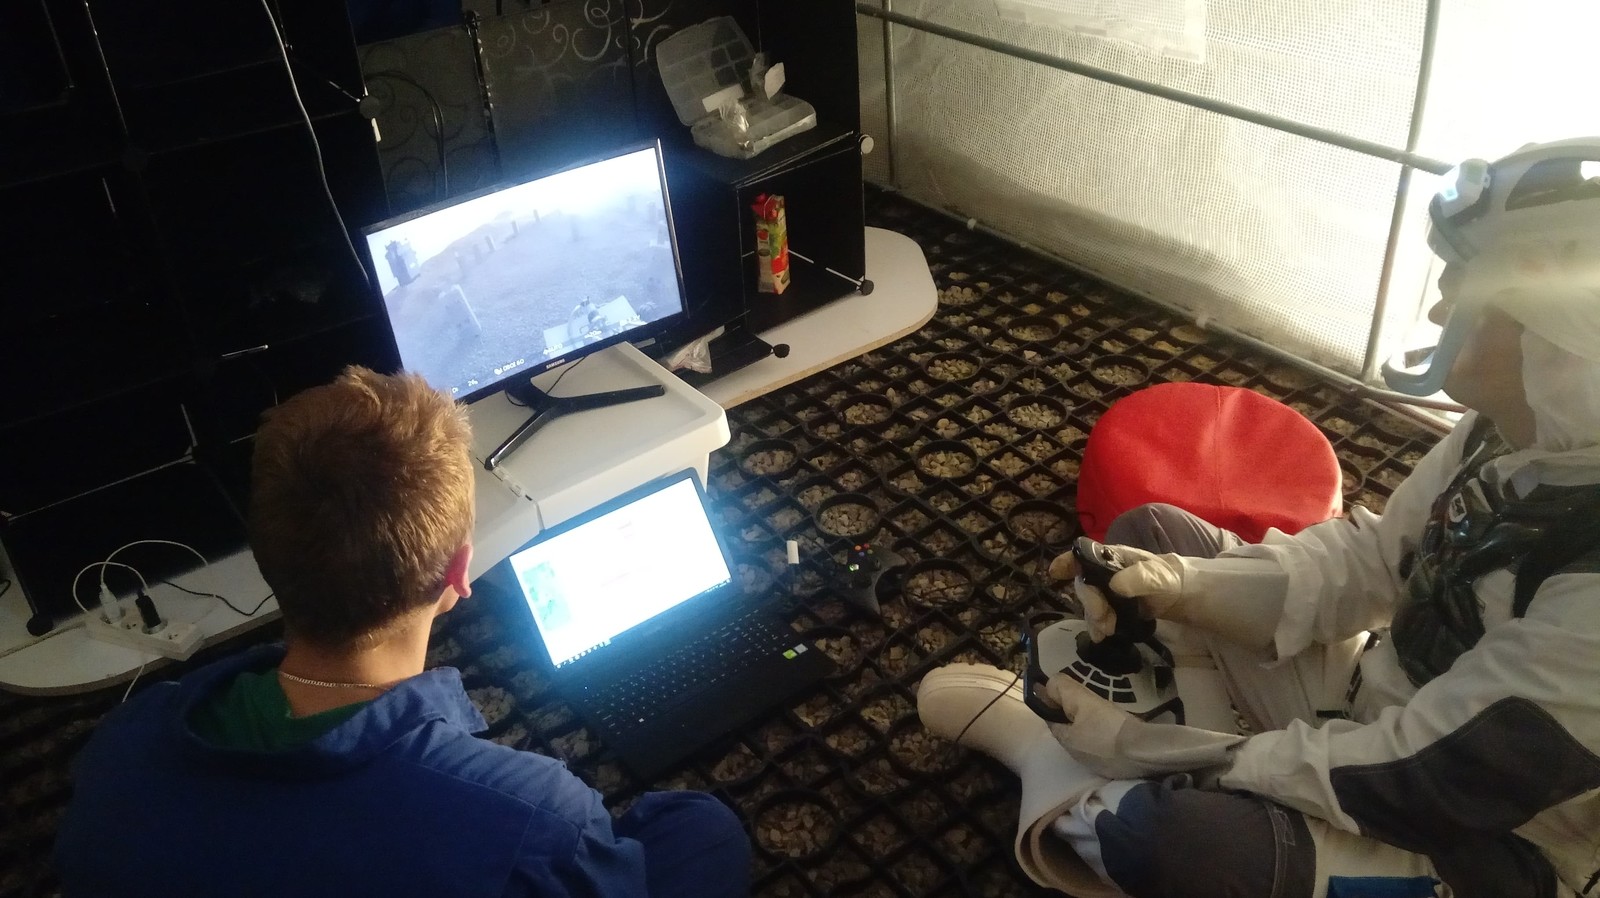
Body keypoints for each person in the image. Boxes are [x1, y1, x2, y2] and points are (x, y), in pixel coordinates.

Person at [917, 136, 1600, 898]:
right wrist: (1184, 585)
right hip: (1375, 711)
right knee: (1149, 533)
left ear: (1562, 335)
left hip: (1481, 844)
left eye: (1466, 292)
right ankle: (1160, 759)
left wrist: (1157, 750)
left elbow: (1422, 776)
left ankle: (1052, 763)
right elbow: (1374, 562)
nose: (1441, 310)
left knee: (1173, 843)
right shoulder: (1508, 433)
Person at [55, 366, 751, 897]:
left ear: (267, 558)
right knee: (701, 830)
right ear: (458, 574)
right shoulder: (534, 818)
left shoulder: (122, 747)